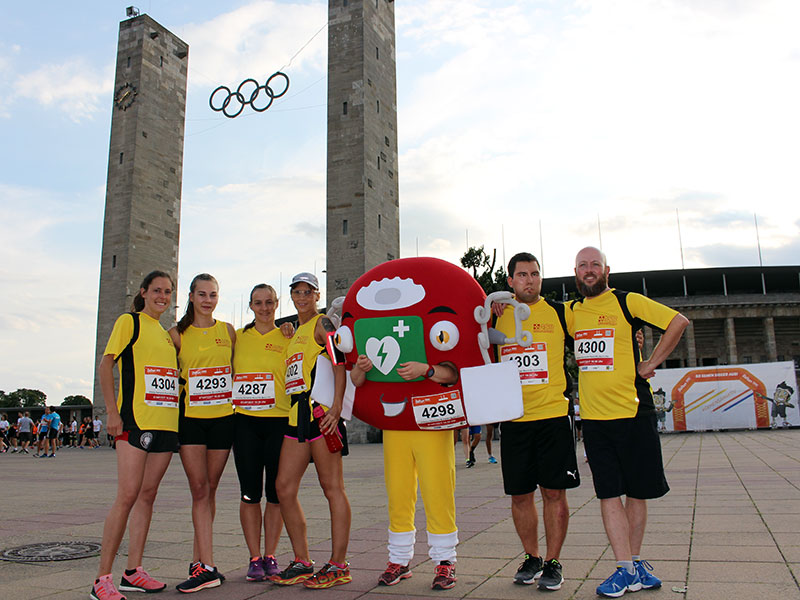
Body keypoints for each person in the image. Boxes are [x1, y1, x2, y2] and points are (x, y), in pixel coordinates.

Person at [568, 247, 689, 598]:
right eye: (582, 265)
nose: (589, 270)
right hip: (594, 419)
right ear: (575, 272)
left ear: (607, 270)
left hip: (635, 412)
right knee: (608, 493)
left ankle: (632, 565)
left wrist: (650, 362)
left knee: (637, 493)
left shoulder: (627, 302)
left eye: (595, 265)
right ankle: (625, 569)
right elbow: (531, 317)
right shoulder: (572, 313)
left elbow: (678, 321)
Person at [91, 270, 180, 600]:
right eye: (157, 290)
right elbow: (106, 364)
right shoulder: (130, 322)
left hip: (166, 425)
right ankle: (102, 579)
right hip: (135, 422)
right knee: (127, 495)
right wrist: (112, 413)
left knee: (147, 495)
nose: (163, 296)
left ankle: (133, 571)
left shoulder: (166, 334)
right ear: (143, 292)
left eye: (168, 291)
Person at [494, 252, 579, 591]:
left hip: (553, 418)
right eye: (522, 275)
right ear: (511, 280)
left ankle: (554, 562)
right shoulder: (495, 315)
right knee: (519, 495)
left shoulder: (560, 312)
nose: (529, 280)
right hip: (514, 420)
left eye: (534, 274)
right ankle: (531, 556)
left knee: (554, 492)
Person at [271, 272, 352, 589]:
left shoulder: (322, 324)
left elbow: (339, 362)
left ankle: (338, 564)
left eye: (308, 292)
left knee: (332, 487)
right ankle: (303, 561)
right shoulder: (292, 332)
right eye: (297, 292)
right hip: (295, 415)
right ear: (291, 296)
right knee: (284, 487)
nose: (302, 296)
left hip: (320, 414)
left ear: (317, 295)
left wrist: (335, 408)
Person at [169, 273, 235, 593]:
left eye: (213, 294)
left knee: (210, 491)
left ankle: (200, 562)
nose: (208, 300)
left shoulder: (229, 332)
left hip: (223, 419)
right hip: (191, 420)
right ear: (191, 296)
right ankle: (207, 567)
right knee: (198, 489)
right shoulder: (177, 335)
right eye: (202, 294)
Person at [231, 284, 292, 582]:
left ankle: (271, 555)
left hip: (280, 422)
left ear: (277, 304)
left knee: (277, 494)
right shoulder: (237, 337)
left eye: (269, 302)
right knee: (250, 493)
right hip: (245, 424)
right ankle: (254, 558)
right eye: (258, 303)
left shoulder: (287, 335)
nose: (264, 308)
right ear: (250, 306)